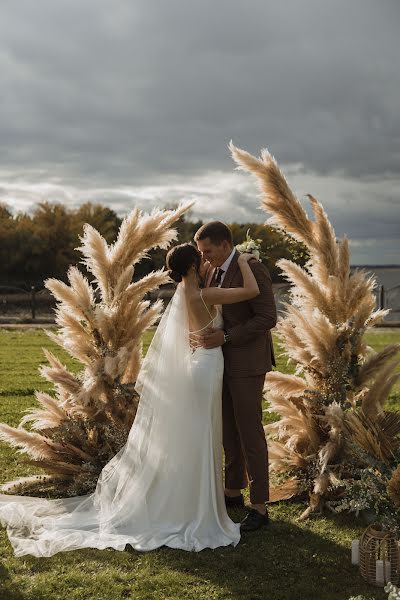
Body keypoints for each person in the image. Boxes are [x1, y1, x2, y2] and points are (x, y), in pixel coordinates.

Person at [0, 243, 259, 557]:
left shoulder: (186, 294)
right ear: (192, 266)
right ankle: (195, 506)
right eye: (200, 259)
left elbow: (200, 299)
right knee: (202, 433)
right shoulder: (204, 295)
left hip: (201, 364)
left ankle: (188, 499)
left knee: (197, 433)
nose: (206, 262)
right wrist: (245, 259)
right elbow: (251, 290)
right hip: (207, 366)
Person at [195, 221, 277, 532]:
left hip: (247, 363)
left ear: (225, 244)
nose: (205, 257)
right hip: (222, 363)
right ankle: (232, 492)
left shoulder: (251, 268)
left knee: (250, 432)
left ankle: (259, 506)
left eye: (208, 250)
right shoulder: (214, 270)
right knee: (229, 431)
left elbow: (268, 316)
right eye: (201, 252)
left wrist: (227, 336)